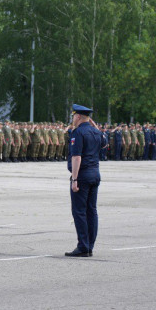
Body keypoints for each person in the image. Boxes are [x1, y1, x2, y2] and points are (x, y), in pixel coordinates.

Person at [66, 104, 106, 257]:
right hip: (95, 174)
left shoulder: (78, 132)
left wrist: (74, 179)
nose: (72, 119)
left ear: (78, 116)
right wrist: (94, 126)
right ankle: (89, 246)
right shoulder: (96, 132)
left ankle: (83, 246)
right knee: (91, 211)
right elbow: (105, 143)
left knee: (79, 211)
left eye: (73, 116)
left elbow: (76, 157)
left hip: (82, 176)